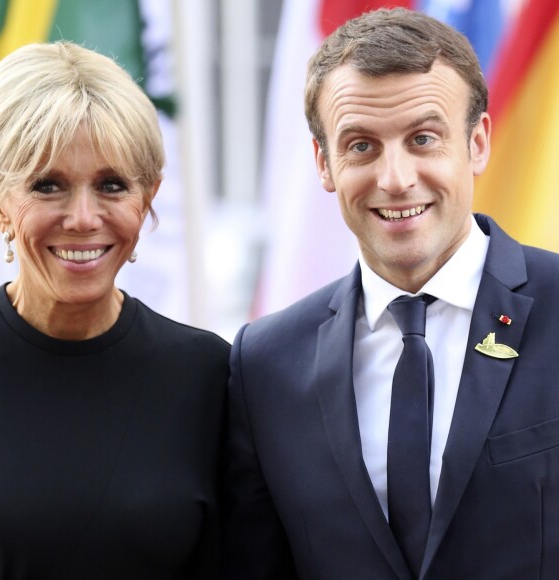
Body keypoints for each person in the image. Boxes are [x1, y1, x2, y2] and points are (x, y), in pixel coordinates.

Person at [222, 7, 559, 580]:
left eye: (423, 138)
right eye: (361, 146)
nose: (395, 178)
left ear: (477, 143)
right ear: (324, 163)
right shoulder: (266, 363)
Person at [0, 41, 229, 579]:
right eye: (48, 186)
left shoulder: (211, 375)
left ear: (148, 197)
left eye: (112, 185)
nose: (83, 218)